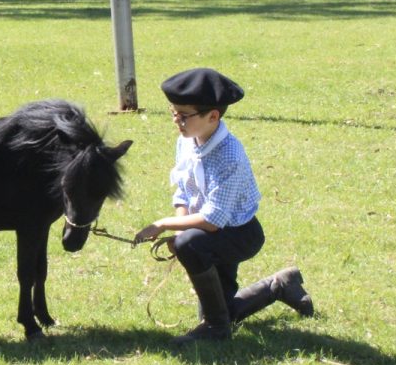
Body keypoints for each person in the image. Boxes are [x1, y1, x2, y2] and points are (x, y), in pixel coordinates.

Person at [133, 67, 313, 345]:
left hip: (237, 235)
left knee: (191, 247)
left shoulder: (229, 154)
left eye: (184, 115)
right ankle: (279, 285)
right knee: (220, 307)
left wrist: (164, 225)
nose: (176, 120)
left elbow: (213, 219)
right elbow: (184, 191)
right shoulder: (187, 141)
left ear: (213, 116)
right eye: (173, 112)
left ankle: (216, 330)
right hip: (209, 234)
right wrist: (181, 229)